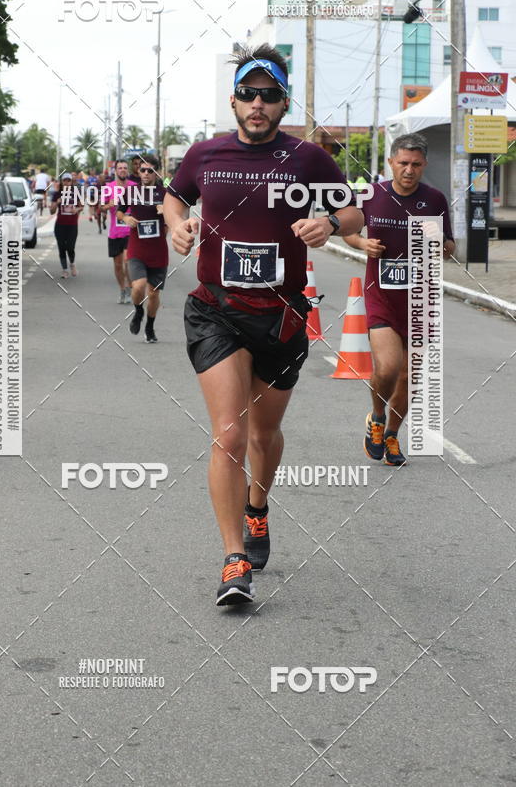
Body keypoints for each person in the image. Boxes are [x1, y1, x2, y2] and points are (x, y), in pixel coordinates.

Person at [164, 44, 363, 606]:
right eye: (248, 94)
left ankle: (257, 507)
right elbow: (173, 200)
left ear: (283, 103)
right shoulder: (205, 155)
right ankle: (233, 560)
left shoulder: (307, 160)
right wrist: (179, 226)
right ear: (233, 100)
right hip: (215, 309)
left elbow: (354, 211)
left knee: (262, 436)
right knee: (228, 433)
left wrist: (329, 222)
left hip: (280, 317)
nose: (257, 104)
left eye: (269, 95)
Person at [342, 132, 455, 467]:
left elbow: (450, 249)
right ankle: (377, 417)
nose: (409, 170)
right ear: (391, 162)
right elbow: (347, 231)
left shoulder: (434, 200)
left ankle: (391, 435)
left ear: (424, 166)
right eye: (403, 163)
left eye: (416, 164)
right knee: (389, 368)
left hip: (420, 300)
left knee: (409, 378)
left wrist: (438, 244)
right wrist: (363, 245)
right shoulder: (371, 195)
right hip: (381, 297)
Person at [123, 155, 168, 342]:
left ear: (156, 172)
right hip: (137, 248)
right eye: (143, 170)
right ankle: (138, 311)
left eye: (150, 170)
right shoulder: (131, 192)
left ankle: (150, 326)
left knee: (154, 293)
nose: (146, 174)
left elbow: (180, 214)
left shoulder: (165, 193)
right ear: (138, 172)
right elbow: (119, 210)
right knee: (139, 285)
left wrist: (166, 211)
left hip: (158, 251)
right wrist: (125, 218)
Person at [103, 160, 135, 303]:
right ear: (115, 171)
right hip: (115, 233)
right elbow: (101, 207)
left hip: (131, 232)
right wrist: (110, 204)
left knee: (127, 261)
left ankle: (129, 287)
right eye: (120, 168)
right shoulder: (108, 188)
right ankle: (122, 289)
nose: (123, 170)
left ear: (127, 171)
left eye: (125, 168)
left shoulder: (135, 187)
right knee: (117, 264)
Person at [49, 174, 84, 278]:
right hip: (60, 225)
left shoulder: (76, 194)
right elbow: (51, 211)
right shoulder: (57, 194)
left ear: (71, 182)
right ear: (62, 182)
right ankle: (64, 270)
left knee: (70, 247)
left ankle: (72, 264)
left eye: (69, 181)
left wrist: (76, 210)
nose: (66, 183)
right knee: (61, 247)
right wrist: (57, 203)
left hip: (72, 225)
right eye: (65, 181)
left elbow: (81, 206)